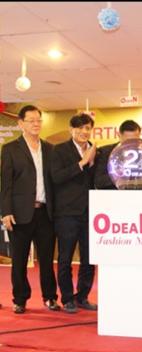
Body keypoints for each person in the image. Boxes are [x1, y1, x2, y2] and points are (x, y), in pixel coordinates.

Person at [0, 105, 60, 314]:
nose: (36, 124)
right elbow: (6, 184)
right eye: (31, 120)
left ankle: (50, 297)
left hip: (45, 213)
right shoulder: (10, 149)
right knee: (19, 261)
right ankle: (20, 299)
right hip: (19, 214)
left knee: (47, 260)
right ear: (20, 124)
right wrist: (6, 212)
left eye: (38, 120)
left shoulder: (50, 149)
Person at [51, 113, 97, 313]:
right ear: (71, 129)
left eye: (87, 128)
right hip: (67, 214)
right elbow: (56, 177)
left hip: (90, 213)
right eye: (79, 128)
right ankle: (68, 298)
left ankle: (82, 296)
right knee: (65, 259)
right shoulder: (59, 150)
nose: (84, 132)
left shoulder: (95, 151)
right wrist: (82, 163)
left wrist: (92, 163)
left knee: (89, 258)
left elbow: (97, 180)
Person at [94, 119, 141, 189]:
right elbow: (99, 182)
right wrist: (118, 174)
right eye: (127, 141)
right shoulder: (105, 152)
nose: (131, 144)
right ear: (119, 135)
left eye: (134, 140)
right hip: (112, 194)